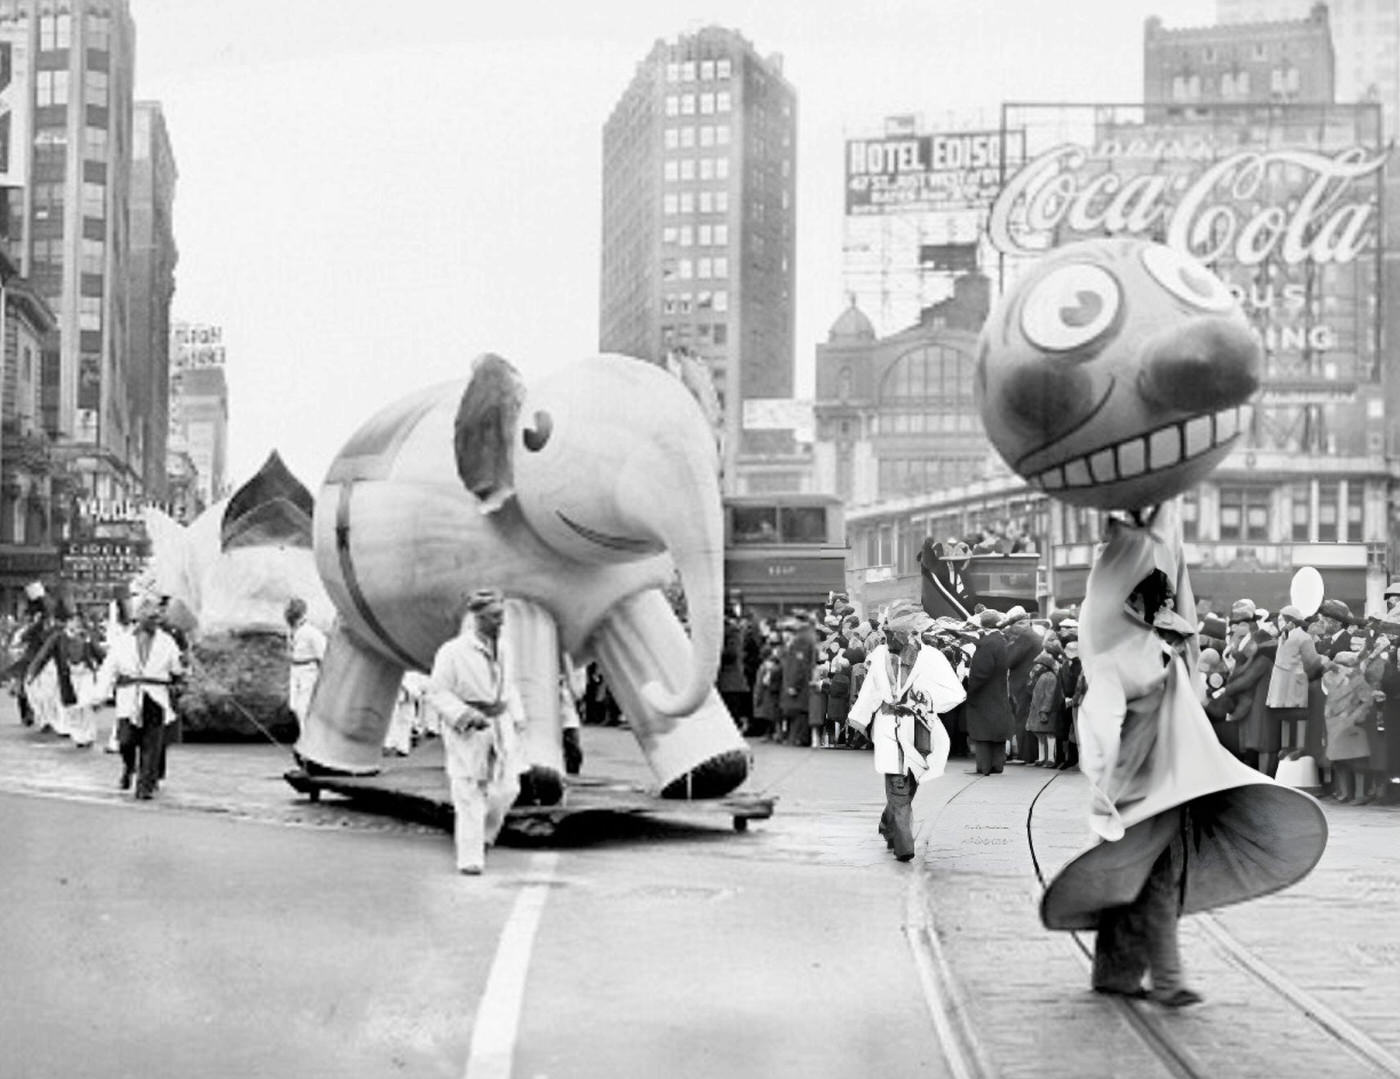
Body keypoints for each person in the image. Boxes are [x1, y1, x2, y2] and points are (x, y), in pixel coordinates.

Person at [847, 600, 966, 862]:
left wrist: (925, 701)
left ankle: (887, 823)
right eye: (887, 631)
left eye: (893, 632)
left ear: (911, 633)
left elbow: (955, 693)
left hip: (918, 729)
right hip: (888, 727)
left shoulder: (932, 657)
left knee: (909, 782)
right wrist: (859, 719)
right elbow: (870, 690)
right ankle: (904, 844)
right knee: (897, 783)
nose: (887, 636)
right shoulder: (879, 655)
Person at [425, 589, 526, 875]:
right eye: (495, 616)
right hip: (469, 730)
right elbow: (437, 692)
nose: (501, 621)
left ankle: (484, 835)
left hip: (501, 723)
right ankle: (470, 857)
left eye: (502, 615)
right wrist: (465, 715)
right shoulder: (453, 651)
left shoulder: (506, 647)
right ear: (478, 618)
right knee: (468, 790)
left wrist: (518, 716)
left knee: (508, 788)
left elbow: (509, 684)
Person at [101, 597, 185, 799]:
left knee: (152, 743)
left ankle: (144, 786)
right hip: (130, 696)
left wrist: (183, 666)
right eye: (150, 618)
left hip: (155, 696)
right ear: (139, 619)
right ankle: (129, 767)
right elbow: (109, 667)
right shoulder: (123, 641)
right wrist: (101, 693)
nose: (154, 622)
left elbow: (176, 668)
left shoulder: (167, 641)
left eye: (156, 618)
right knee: (126, 742)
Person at [964, 610, 1012, 775]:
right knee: (997, 730)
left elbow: (980, 672)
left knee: (982, 731)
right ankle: (997, 765)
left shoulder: (987, 644)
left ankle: (984, 766)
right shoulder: (1002, 640)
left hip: (984, 694)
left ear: (984, 625)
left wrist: (970, 689)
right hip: (999, 690)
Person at [285, 597, 328, 734]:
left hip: (308, 670)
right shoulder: (291, 631)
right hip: (295, 670)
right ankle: (305, 734)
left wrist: (323, 675)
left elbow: (323, 654)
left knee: (303, 706)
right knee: (293, 705)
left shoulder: (312, 632)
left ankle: (306, 737)